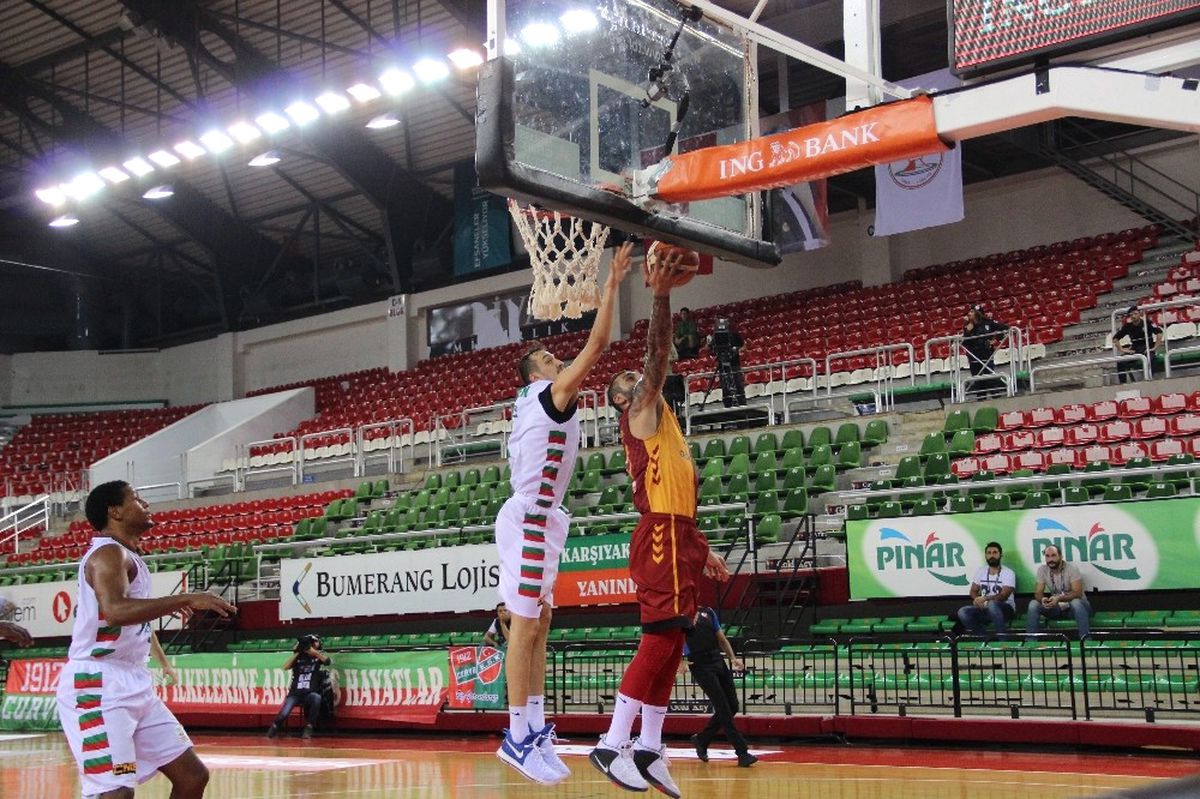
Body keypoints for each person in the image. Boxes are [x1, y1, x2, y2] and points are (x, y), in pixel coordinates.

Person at [495, 242, 633, 785]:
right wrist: (613, 282)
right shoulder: (547, 394)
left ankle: (534, 726)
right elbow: (598, 344)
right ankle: (515, 737)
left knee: (541, 622)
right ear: (534, 374)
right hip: (531, 516)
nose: (560, 361)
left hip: (542, 517)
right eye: (550, 359)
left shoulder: (534, 403)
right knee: (524, 627)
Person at [594, 251, 730, 798]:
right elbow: (657, 358)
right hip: (660, 538)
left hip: (679, 535)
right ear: (625, 399)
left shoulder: (666, 427)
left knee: (675, 646)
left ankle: (650, 748)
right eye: (633, 378)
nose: (643, 376)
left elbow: (677, 497)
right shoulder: (640, 413)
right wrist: (660, 293)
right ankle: (611, 743)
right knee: (657, 644)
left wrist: (703, 545)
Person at [55, 480, 236, 799]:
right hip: (99, 686)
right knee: (117, 789)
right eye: (137, 499)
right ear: (115, 512)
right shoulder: (108, 553)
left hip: (134, 684)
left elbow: (134, 622)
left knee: (192, 776)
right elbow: (115, 611)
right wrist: (185, 599)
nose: (146, 504)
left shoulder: (126, 555)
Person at [682, 606, 756, 768]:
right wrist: (681, 660)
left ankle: (702, 739)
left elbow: (721, 638)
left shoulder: (708, 612)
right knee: (723, 708)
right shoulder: (681, 615)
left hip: (717, 660)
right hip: (699, 664)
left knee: (733, 706)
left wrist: (733, 658)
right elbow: (676, 639)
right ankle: (742, 752)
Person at [266, 634, 332, 740]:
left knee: (316, 697)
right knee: (284, 713)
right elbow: (285, 667)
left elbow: (328, 661)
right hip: (295, 694)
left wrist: (313, 652)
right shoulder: (298, 658)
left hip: (309, 693)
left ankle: (309, 728)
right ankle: (273, 729)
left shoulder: (317, 656)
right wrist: (298, 653)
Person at [1027, 544, 1092, 638]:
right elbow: (1038, 593)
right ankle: (1031, 643)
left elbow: (1077, 593)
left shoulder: (1071, 568)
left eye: (1053, 555)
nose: (1050, 559)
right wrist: (1043, 599)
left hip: (1077, 609)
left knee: (1076, 602)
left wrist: (1059, 598)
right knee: (1033, 604)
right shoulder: (1042, 570)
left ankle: (1086, 641)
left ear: (1061, 556)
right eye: (1047, 556)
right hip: (1057, 608)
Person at [955, 542, 1016, 636]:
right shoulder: (981, 571)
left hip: (1006, 610)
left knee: (992, 604)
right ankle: (984, 638)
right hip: (985, 609)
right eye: (989, 553)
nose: (992, 555)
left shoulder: (1008, 573)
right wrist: (977, 599)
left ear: (1001, 555)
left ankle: (1002, 641)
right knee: (963, 611)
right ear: (985, 555)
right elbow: (973, 591)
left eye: (995, 552)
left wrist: (985, 599)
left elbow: (1003, 596)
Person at [961, 305, 1007, 396]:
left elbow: (1005, 328)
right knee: (978, 380)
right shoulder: (967, 326)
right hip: (973, 356)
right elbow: (964, 343)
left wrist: (995, 340)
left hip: (986, 355)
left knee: (990, 377)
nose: (969, 314)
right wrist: (967, 332)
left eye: (972, 311)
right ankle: (981, 398)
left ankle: (996, 396)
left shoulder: (988, 323)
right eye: (969, 312)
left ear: (978, 314)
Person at [1113, 305, 1162, 384]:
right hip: (1135, 349)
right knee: (1120, 361)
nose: (1133, 316)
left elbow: (1159, 333)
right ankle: (1122, 383)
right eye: (1131, 315)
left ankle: (1150, 380)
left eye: (1135, 314)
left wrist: (1154, 347)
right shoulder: (1127, 326)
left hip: (1147, 347)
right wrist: (1122, 349)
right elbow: (1115, 339)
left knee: (1150, 358)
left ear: (1139, 314)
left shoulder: (1147, 322)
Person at [707, 318, 745, 408]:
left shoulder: (735, 335)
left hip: (734, 363)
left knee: (738, 384)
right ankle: (727, 404)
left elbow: (743, 346)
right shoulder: (715, 337)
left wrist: (735, 350)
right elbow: (710, 348)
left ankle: (742, 403)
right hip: (722, 365)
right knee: (725, 387)